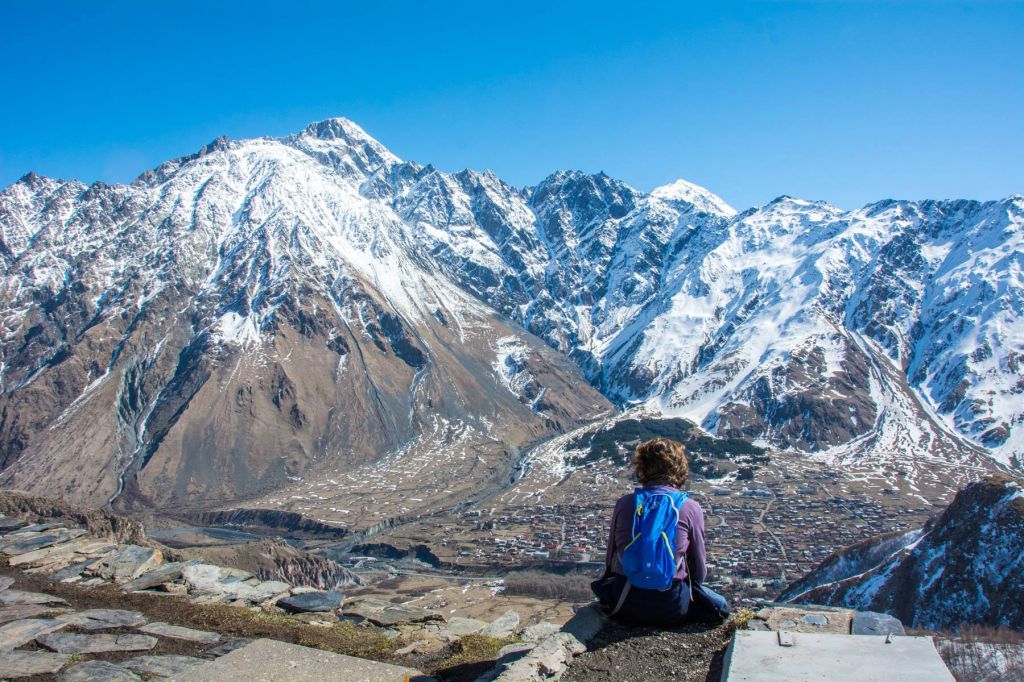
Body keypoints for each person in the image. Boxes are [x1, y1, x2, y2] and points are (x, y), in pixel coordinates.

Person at [592, 437, 729, 626]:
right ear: (679, 468)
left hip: (623, 603)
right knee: (720, 604)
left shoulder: (625, 503)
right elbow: (699, 569)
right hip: (672, 606)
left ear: (642, 467)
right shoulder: (690, 507)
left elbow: (610, 558)